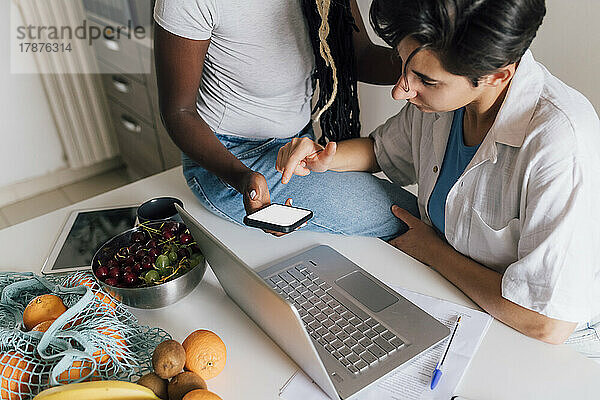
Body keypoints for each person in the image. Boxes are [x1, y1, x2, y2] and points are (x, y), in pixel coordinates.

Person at [276, 0, 600, 353]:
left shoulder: (562, 142)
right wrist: (322, 157)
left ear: (497, 75)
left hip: (554, 343)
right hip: (461, 296)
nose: (400, 90)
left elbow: (546, 322)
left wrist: (433, 252)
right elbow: (380, 150)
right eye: (403, 66)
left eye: (425, 80)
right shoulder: (445, 104)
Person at [152, 0, 418, 239]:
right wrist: (243, 178)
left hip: (298, 145)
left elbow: (357, 56)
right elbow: (179, 113)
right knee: (410, 217)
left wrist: (429, 65)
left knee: (424, 218)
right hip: (232, 159)